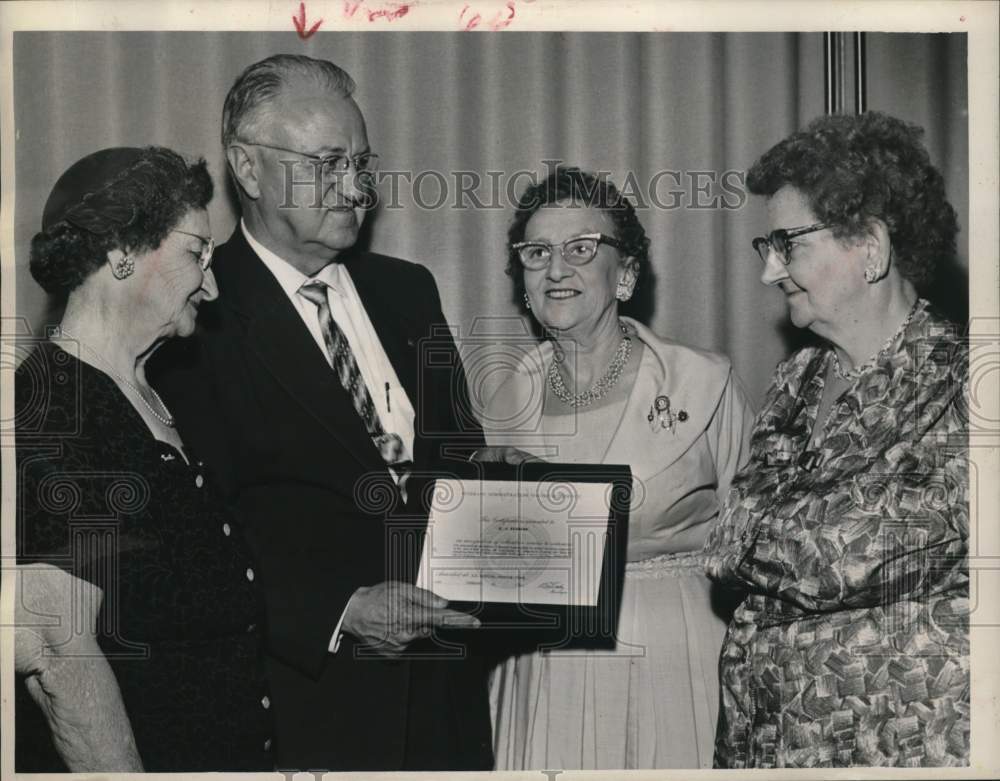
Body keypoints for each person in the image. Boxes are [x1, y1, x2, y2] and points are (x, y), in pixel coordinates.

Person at [150, 54, 492, 771]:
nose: (355, 187)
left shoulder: (408, 291)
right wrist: (337, 613)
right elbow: (192, 535)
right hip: (306, 701)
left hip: (444, 699)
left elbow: (459, 458)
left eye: (362, 162)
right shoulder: (193, 315)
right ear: (247, 169)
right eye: (328, 162)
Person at [703, 111, 969, 768]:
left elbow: (835, 556)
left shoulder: (964, 384)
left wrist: (746, 538)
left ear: (870, 247)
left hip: (900, 746)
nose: (771, 272)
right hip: (766, 743)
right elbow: (739, 539)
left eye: (788, 245)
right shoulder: (797, 378)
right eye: (768, 248)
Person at [480, 167, 755, 769]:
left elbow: (759, 547)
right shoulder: (501, 399)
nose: (557, 268)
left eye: (582, 249)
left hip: (674, 649)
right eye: (537, 252)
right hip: (541, 664)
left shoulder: (704, 381)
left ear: (625, 272)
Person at [15, 146, 271, 772]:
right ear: (121, 250)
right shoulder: (50, 412)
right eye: (196, 253)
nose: (210, 284)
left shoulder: (162, 396)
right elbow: (58, 649)